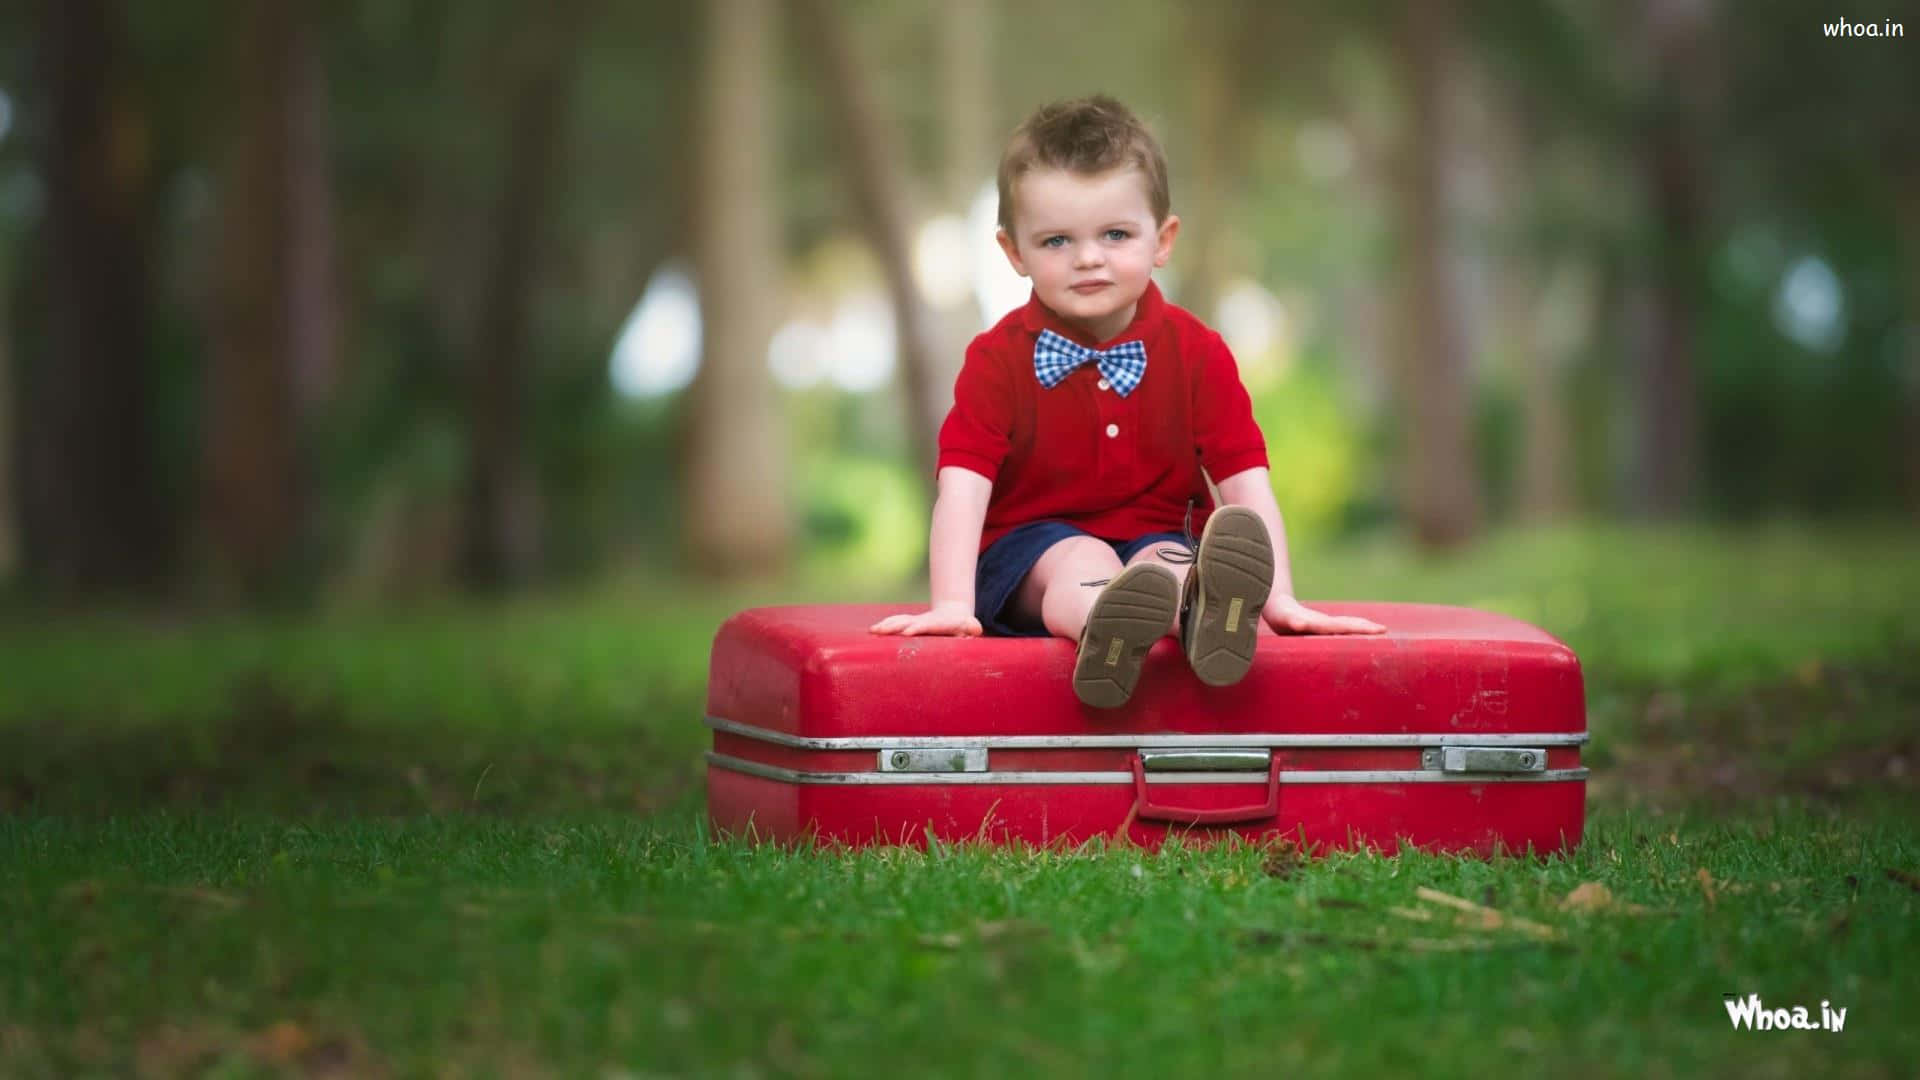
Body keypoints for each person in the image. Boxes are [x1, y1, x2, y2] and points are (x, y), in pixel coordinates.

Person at [870, 95, 1384, 707]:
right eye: (1057, 240)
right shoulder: (996, 359)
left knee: (1172, 564)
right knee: (1077, 559)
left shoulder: (1199, 353)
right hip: (1032, 550)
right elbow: (963, 489)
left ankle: (1199, 616)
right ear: (1014, 253)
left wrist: (1280, 601)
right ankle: (1105, 624)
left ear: (1162, 239)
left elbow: (1246, 486)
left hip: (1159, 534)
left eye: (1115, 234)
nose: (1088, 257)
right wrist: (953, 604)